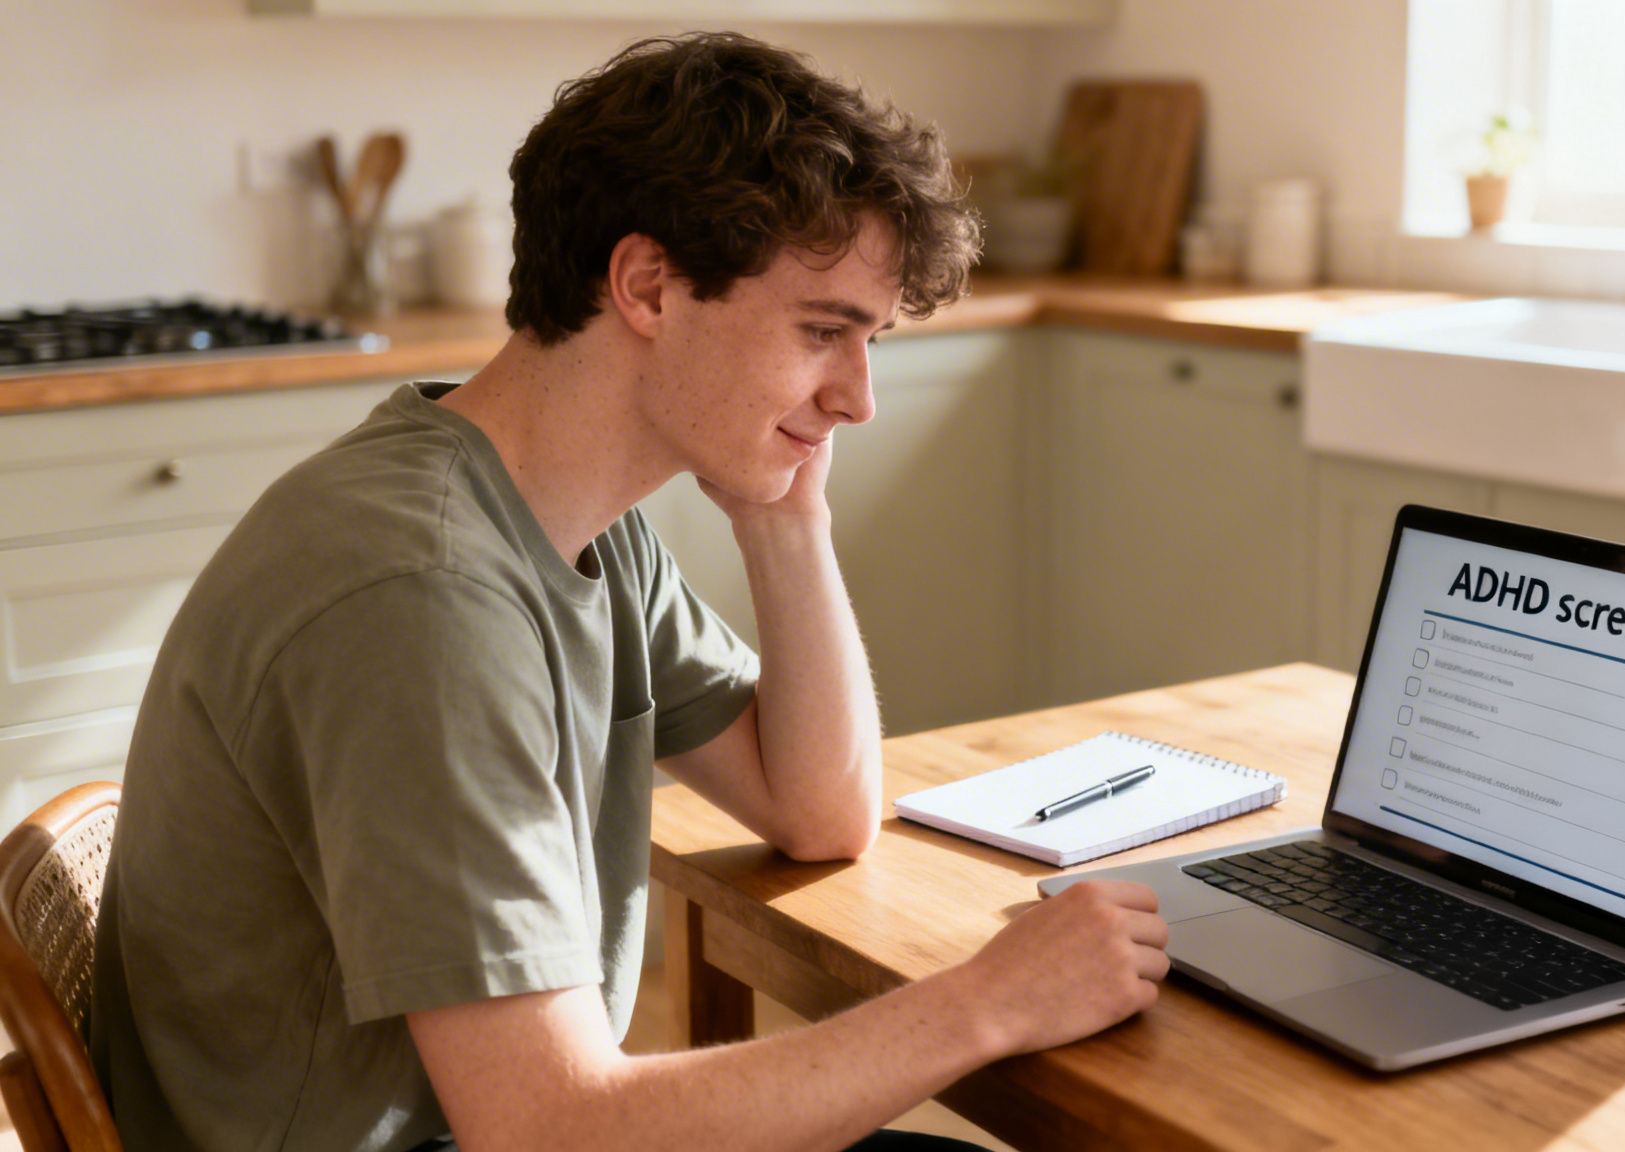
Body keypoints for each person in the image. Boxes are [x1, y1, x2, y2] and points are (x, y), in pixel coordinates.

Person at [90, 31, 1168, 1152]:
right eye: (820, 333)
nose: (858, 399)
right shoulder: (422, 595)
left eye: (869, 345)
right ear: (647, 285)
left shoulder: (573, 521)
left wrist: (788, 517)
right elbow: (545, 1127)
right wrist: (988, 1001)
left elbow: (817, 811)